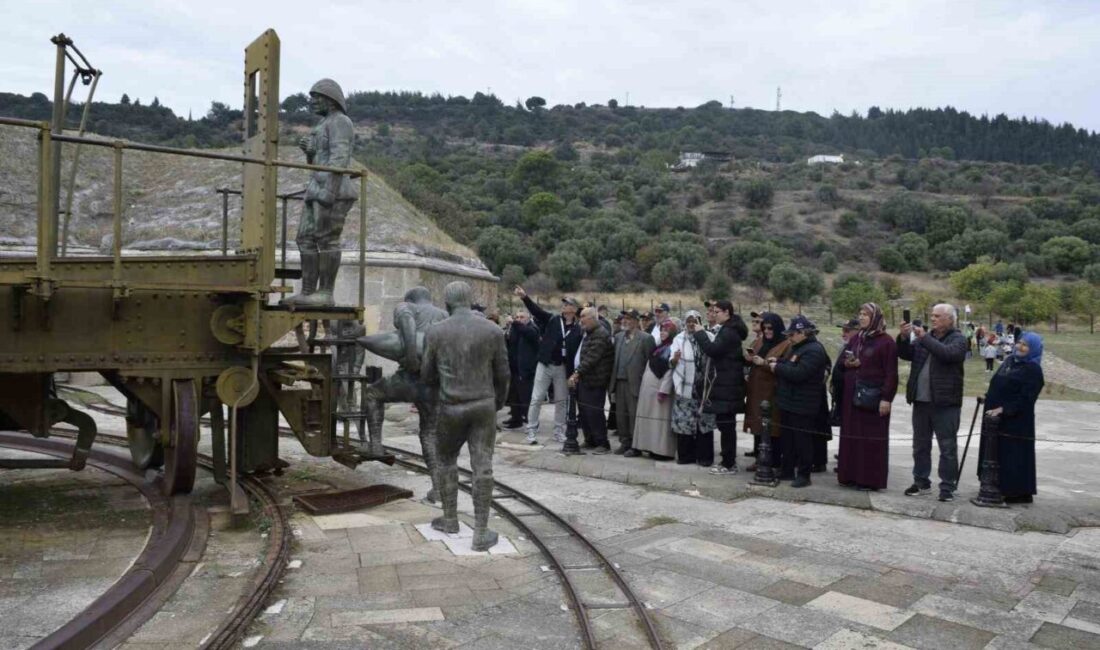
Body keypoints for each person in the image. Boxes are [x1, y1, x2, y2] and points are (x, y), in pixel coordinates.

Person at [421, 281, 510, 551]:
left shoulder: (435, 332)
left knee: (446, 459)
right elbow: (503, 374)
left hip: (452, 406)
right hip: (483, 405)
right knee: (483, 465)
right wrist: (498, 403)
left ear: (446, 302)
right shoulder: (493, 330)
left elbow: (426, 376)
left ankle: (450, 519)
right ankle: (481, 531)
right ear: (470, 300)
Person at [283, 79, 357, 307]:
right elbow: (319, 160)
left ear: (331, 99)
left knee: (327, 240)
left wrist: (328, 192)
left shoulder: (341, 122)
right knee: (304, 239)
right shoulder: (323, 124)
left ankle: (325, 292)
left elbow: (339, 158)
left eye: (317, 97)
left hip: (332, 190)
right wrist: (310, 152)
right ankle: (307, 292)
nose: (312, 101)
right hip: (315, 187)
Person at [898, 303, 968, 502]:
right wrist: (903, 337)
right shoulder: (925, 338)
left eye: (938, 316)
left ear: (950, 319)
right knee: (920, 445)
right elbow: (905, 354)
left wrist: (924, 337)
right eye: (932, 316)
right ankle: (921, 482)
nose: (933, 319)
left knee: (947, 447)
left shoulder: (959, 339)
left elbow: (948, 354)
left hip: (945, 403)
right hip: (921, 401)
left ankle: (948, 487)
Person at [977, 331, 1044, 504]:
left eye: (1025, 345)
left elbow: (1026, 399)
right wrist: (988, 397)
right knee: (995, 452)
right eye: (1019, 343)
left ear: (1033, 349)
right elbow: (999, 384)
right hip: (995, 419)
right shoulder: (1009, 361)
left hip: (1015, 423)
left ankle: (1015, 492)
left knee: (1012, 456)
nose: (1020, 347)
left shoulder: (1033, 369)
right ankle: (994, 485)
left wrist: (1003, 409)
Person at [837, 304, 898, 491]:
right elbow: (841, 362)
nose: (862, 317)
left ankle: (869, 480)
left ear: (876, 318)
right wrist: (849, 363)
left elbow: (891, 373)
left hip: (872, 399)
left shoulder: (886, 342)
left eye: (866, 314)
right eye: (860, 313)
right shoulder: (857, 338)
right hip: (852, 397)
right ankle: (849, 476)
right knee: (852, 437)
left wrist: (886, 398)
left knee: (870, 440)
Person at [514, 287, 583, 445]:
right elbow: (536, 311)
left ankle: (559, 431)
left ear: (574, 309)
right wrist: (525, 297)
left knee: (561, 401)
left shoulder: (578, 329)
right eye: (563, 304)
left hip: (562, 367)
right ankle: (531, 430)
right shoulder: (553, 320)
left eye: (568, 304)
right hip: (545, 364)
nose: (564, 306)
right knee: (536, 398)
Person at [769, 316, 829, 487]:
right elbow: (792, 364)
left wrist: (778, 368)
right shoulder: (799, 348)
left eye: (793, 334)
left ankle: (804, 474)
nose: (790, 337)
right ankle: (787, 470)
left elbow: (799, 373)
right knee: (788, 440)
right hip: (789, 401)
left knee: (803, 442)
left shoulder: (814, 350)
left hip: (803, 404)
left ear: (803, 333)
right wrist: (779, 361)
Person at [690, 299, 746, 475]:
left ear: (727, 312)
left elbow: (713, 350)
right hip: (725, 384)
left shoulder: (728, 332)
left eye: (717, 311)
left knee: (727, 426)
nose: (714, 314)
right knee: (725, 425)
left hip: (727, 385)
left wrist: (700, 333)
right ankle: (727, 461)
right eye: (712, 311)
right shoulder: (729, 329)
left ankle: (729, 463)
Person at [744, 313, 791, 473]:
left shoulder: (786, 344)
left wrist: (764, 363)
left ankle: (775, 462)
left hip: (773, 392)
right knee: (758, 426)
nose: (767, 331)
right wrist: (749, 359)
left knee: (773, 429)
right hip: (756, 390)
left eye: (771, 328)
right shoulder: (760, 340)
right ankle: (759, 459)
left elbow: (784, 367)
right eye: (765, 328)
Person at [670, 310, 716, 466]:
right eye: (688, 320)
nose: (691, 324)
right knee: (684, 423)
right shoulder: (678, 339)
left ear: (700, 322)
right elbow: (671, 361)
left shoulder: (709, 337)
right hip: (685, 387)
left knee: (704, 423)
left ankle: (704, 458)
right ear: (684, 322)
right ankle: (686, 456)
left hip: (704, 387)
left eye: (695, 320)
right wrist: (674, 360)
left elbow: (715, 355)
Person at [629, 319, 679, 459]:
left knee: (660, 422)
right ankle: (650, 447)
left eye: (666, 330)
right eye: (662, 330)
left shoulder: (673, 348)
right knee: (650, 420)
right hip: (649, 389)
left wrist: (664, 390)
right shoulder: (659, 346)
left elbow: (670, 370)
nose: (663, 333)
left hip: (660, 390)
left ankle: (662, 451)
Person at [568, 307, 615, 453]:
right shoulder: (588, 333)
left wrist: (576, 373)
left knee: (594, 412)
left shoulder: (601, 334)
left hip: (595, 380)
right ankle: (590, 440)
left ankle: (602, 443)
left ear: (593, 318)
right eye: (580, 316)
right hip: (585, 379)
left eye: (583, 317)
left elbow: (592, 358)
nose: (580, 319)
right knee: (584, 412)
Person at [611, 310, 655, 454]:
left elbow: (651, 362)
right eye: (624, 318)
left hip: (636, 384)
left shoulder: (646, 338)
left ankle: (636, 446)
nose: (625, 321)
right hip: (619, 382)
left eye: (629, 319)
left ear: (636, 321)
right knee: (621, 416)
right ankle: (625, 442)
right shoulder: (618, 337)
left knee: (634, 415)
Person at [503, 310, 539, 429]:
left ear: (528, 318)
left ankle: (531, 420)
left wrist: (514, 322)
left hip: (526, 369)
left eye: (521, 317)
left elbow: (528, 333)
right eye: (517, 317)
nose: (519, 319)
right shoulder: (514, 329)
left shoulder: (532, 328)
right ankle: (516, 418)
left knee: (526, 397)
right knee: (514, 395)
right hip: (514, 367)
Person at [743, 312, 765, 459]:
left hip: (762, 386)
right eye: (753, 320)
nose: (755, 322)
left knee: (761, 417)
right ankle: (756, 448)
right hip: (752, 383)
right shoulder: (756, 340)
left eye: (758, 321)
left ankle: (760, 452)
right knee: (754, 416)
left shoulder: (765, 341)